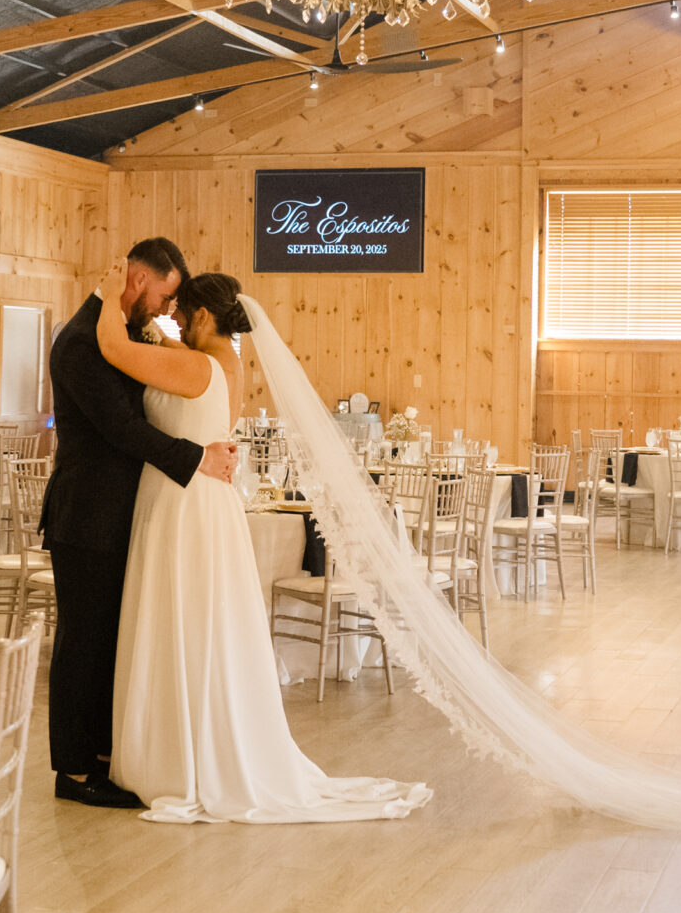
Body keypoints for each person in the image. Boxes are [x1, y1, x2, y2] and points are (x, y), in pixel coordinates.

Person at [93, 269, 429, 823]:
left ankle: (180, 758)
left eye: (180, 311)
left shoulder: (196, 364)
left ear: (203, 316)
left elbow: (110, 345)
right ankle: (189, 746)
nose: (170, 318)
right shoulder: (225, 361)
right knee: (197, 624)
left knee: (184, 620)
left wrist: (110, 291)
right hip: (195, 498)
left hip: (185, 505)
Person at [43, 238, 238, 808]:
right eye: (164, 294)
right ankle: (74, 771)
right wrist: (196, 457)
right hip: (87, 514)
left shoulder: (122, 332)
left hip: (123, 514)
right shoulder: (82, 341)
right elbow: (121, 430)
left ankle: (106, 757)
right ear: (136, 278)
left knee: (110, 641)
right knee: (82, 643)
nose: (164, 308)